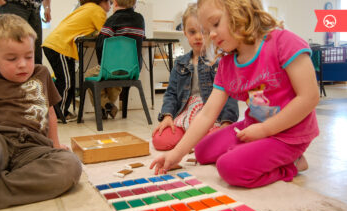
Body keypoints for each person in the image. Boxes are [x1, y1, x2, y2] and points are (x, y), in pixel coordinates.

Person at [150, 0, 320, 188]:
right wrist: (176, 154)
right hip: (254, 126)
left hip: (289, 134)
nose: (211, 34)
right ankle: (255, 152)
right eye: (207, 30)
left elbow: (309, 97)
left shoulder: (283, 42)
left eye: (215, 24)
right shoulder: (226, 63)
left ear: (241, 9)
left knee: (229, 168)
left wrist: (264, 130)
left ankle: (293, 164)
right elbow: (207, 113)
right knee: (202, 151)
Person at [0, 14, 82, 210]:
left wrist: (55, 145)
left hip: (33, 147)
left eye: (29, 56)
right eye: (12, 58)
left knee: (70, 166)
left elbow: (50, 114)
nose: (23, 64)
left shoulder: (41, 73)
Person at [152, 3, 238, 151]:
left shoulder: (220, 62)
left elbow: (230, 95)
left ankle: (198, 139)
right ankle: (193, 138)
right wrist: (167, 116)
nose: (198, 37)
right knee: (160, 140)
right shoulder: (180, 63)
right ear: (184, 32)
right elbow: (171, 94)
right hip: (186, 112)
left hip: (210, 114)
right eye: (192, 32)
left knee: (215, 140)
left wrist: (226, 122)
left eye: (203, 31)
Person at [43, 0, 111, 121]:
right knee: (66, 82)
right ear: (102, 2)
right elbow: (105, 33)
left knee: (68, 81)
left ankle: (60, 111)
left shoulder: (86, 8)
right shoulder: (97, 10)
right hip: (59, 46)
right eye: (109, 2)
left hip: (56, 44)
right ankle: (59, 114)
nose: (110, 6)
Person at [85, 0, 145, 119]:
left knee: (90, 74)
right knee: (116, 81)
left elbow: (101, 44)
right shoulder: (140, 19)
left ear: (116, 3)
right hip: (133, 69)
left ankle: (106, 105)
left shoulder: (112, 20)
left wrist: (100, 35)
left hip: (112, 68)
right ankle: (107, 108)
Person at [0, 0, 51, 64]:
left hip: (35, 6)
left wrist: (47, 7)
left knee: (36, 53)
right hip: (13, 4)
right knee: (15, 49)